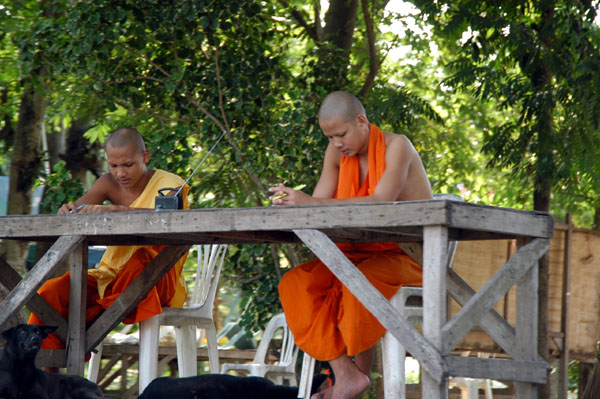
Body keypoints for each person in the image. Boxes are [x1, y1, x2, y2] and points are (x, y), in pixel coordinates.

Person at [271, 91, 432, 399]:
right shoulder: (336, 154)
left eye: (341, 134)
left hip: (405, 255)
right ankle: (346, 373)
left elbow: (381, 202)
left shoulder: (397, 147)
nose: (337, 143)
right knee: (296, 284)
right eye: (330, 137)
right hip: (352, 253)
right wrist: (293, 203)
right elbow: (319, 206)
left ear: (361, 121)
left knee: (355, 283)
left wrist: (308, 203)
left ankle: (357, 376)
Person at [28, 127, 190, 357]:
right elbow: (80, 212)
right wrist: (70, 210)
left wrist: (118, 210)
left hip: (158, 277)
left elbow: (167, 224)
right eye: (113, 166)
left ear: (145, 157)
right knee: (53, 291)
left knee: (139, 261)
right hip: (110, 279)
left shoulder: (170, 183)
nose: (120, 173)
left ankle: (94, 318)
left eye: (128, 165)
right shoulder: (107, 183)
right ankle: (47, 376)